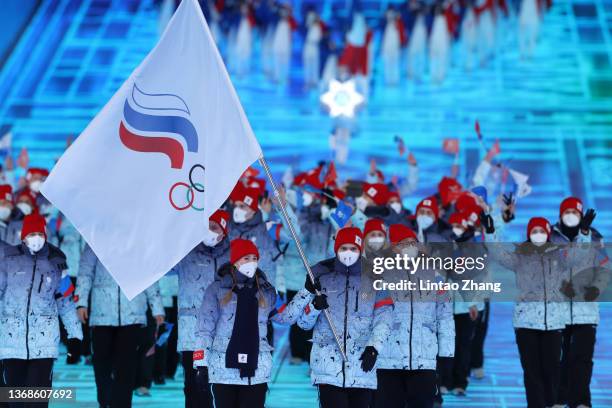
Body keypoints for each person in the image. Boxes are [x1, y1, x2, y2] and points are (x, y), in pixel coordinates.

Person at [193, 238, 311, 408]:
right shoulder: (217, 289)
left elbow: (285, 317)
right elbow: (204, 329)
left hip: (257, 369)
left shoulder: (267, 291)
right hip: (223, 368)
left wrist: (306, 293)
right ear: (235, 261)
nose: (251, 263)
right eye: (246, 258)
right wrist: (201, 364)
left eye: (254, 259)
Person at [296, 227, 394, 408]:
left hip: (362, 365)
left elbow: (385, 316)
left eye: (353, 248)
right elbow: (303, 323)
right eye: (343, 248)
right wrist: (314, 306)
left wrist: (374, 347)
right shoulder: (320, 275)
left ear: (360, 249)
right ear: (336, 250)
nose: (348, 253)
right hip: (327, 368)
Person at [0, 213, 82, 407]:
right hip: (12, 343)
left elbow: (66, 302)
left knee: (37, 401)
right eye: (31, 233)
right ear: (23, 236)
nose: (35, 238)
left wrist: (75, 336)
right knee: (16, 402)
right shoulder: (8, 261)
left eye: (39, 233)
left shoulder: (56, 264)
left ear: (45, 235)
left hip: (44, 345)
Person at [492, 217, 572, 408]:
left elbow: (579, 256)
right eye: (534, 231)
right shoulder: (520, 256)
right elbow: (497, 254)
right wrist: (489, 234)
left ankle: (551, 403)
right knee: (532, 370)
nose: (538, 235)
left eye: (542, 231)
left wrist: (583, 235)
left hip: (553, 322)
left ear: (548, 233)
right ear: (529, 233)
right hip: (525, 322)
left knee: (552, 368)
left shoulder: (559, 255)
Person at [75, 244, 165, 408]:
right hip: (102, 314)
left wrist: (157, 307)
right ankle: (105, 401)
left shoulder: (137, 241)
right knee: (102, 363)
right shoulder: (96, 238)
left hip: (132, 314)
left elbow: (148, 275)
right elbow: (85, 272)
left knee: (126, 366)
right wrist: (81, 302)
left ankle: (122, 404)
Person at [375, 224, 455, 408]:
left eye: (413, 243)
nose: (410, 247)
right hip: (388, 360)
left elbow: (445, 317)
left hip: (423, 361)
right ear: (393, 247)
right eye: (404, 244)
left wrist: (446, 354)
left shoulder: (435, 277)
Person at [552, 197, 609, 408]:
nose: (570, 216)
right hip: (556, 310)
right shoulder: (548, 235)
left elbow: (604, 267)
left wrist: (597, 288)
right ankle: (559, 398)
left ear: (582, 214)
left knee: (582, 359)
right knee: (559, 358)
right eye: (566, 212)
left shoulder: (595, 237)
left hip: (585, 310)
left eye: (575, 212)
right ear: (560, 214)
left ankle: (581, 401)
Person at [175, 209, 230, 408]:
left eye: (214, 227)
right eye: (206, 226)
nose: (209, 231)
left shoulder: (232, 257)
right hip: (192, 335)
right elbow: (160, 267)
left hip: (223, 336)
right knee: (193, 386)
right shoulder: (185, 252)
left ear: (223, 231)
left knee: (218, 387)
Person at [303, 9, 324, 89]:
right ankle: (307, 81)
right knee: (307, 63)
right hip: (308, 46)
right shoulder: (307, 27)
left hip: (315, 47)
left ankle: (314, 82)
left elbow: (320, 37)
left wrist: (318, 20)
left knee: (315, 64)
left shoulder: (319, 27)